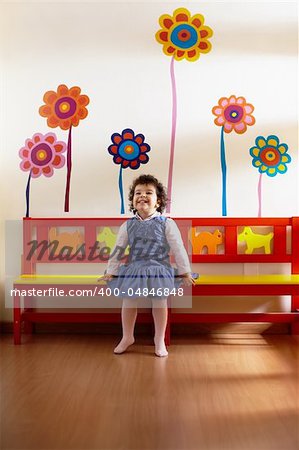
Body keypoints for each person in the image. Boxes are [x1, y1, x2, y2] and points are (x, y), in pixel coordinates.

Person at [101, 174, 195, 357]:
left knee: (159, 301)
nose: (142, 195)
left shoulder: (167, 223)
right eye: (138, 193)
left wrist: (185, 272)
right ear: (132, 200)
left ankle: (159, 339)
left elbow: (178, 248)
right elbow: (118, 249)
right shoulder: (127, 225)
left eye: (148, 192)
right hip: (135, 268)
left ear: (158, 201)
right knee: (128, 300)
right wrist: (111, 271)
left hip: (159, 268)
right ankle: (127, 336)